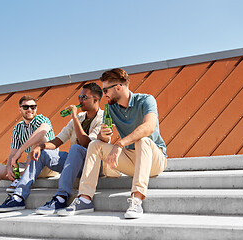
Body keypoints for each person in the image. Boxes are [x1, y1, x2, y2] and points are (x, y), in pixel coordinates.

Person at [57, 68, 168, 219]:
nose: (104, 95)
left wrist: (120, 144)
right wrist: (103, 137)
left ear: (118, 87)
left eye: (105, 90)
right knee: (94, 144)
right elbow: (103, 141)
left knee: (142, 140)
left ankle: (136, 200)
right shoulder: (110, 108)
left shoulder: (146, 100)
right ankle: (85, 199)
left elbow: (148, 127)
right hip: (130, 160)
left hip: (154, 160)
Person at [0, 83, 104, 214]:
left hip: (93, 166)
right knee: (42, 152)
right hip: (74, 162)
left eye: (84, 97)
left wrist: (74, 117)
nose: (80, 100)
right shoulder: (80, 118)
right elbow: (57, 141)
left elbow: (86, 143)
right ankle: (18, 196)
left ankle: (61, 198)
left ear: (95, 99)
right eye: (79, 96)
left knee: (75, 148)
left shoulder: (103, 118)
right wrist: (40, 147)